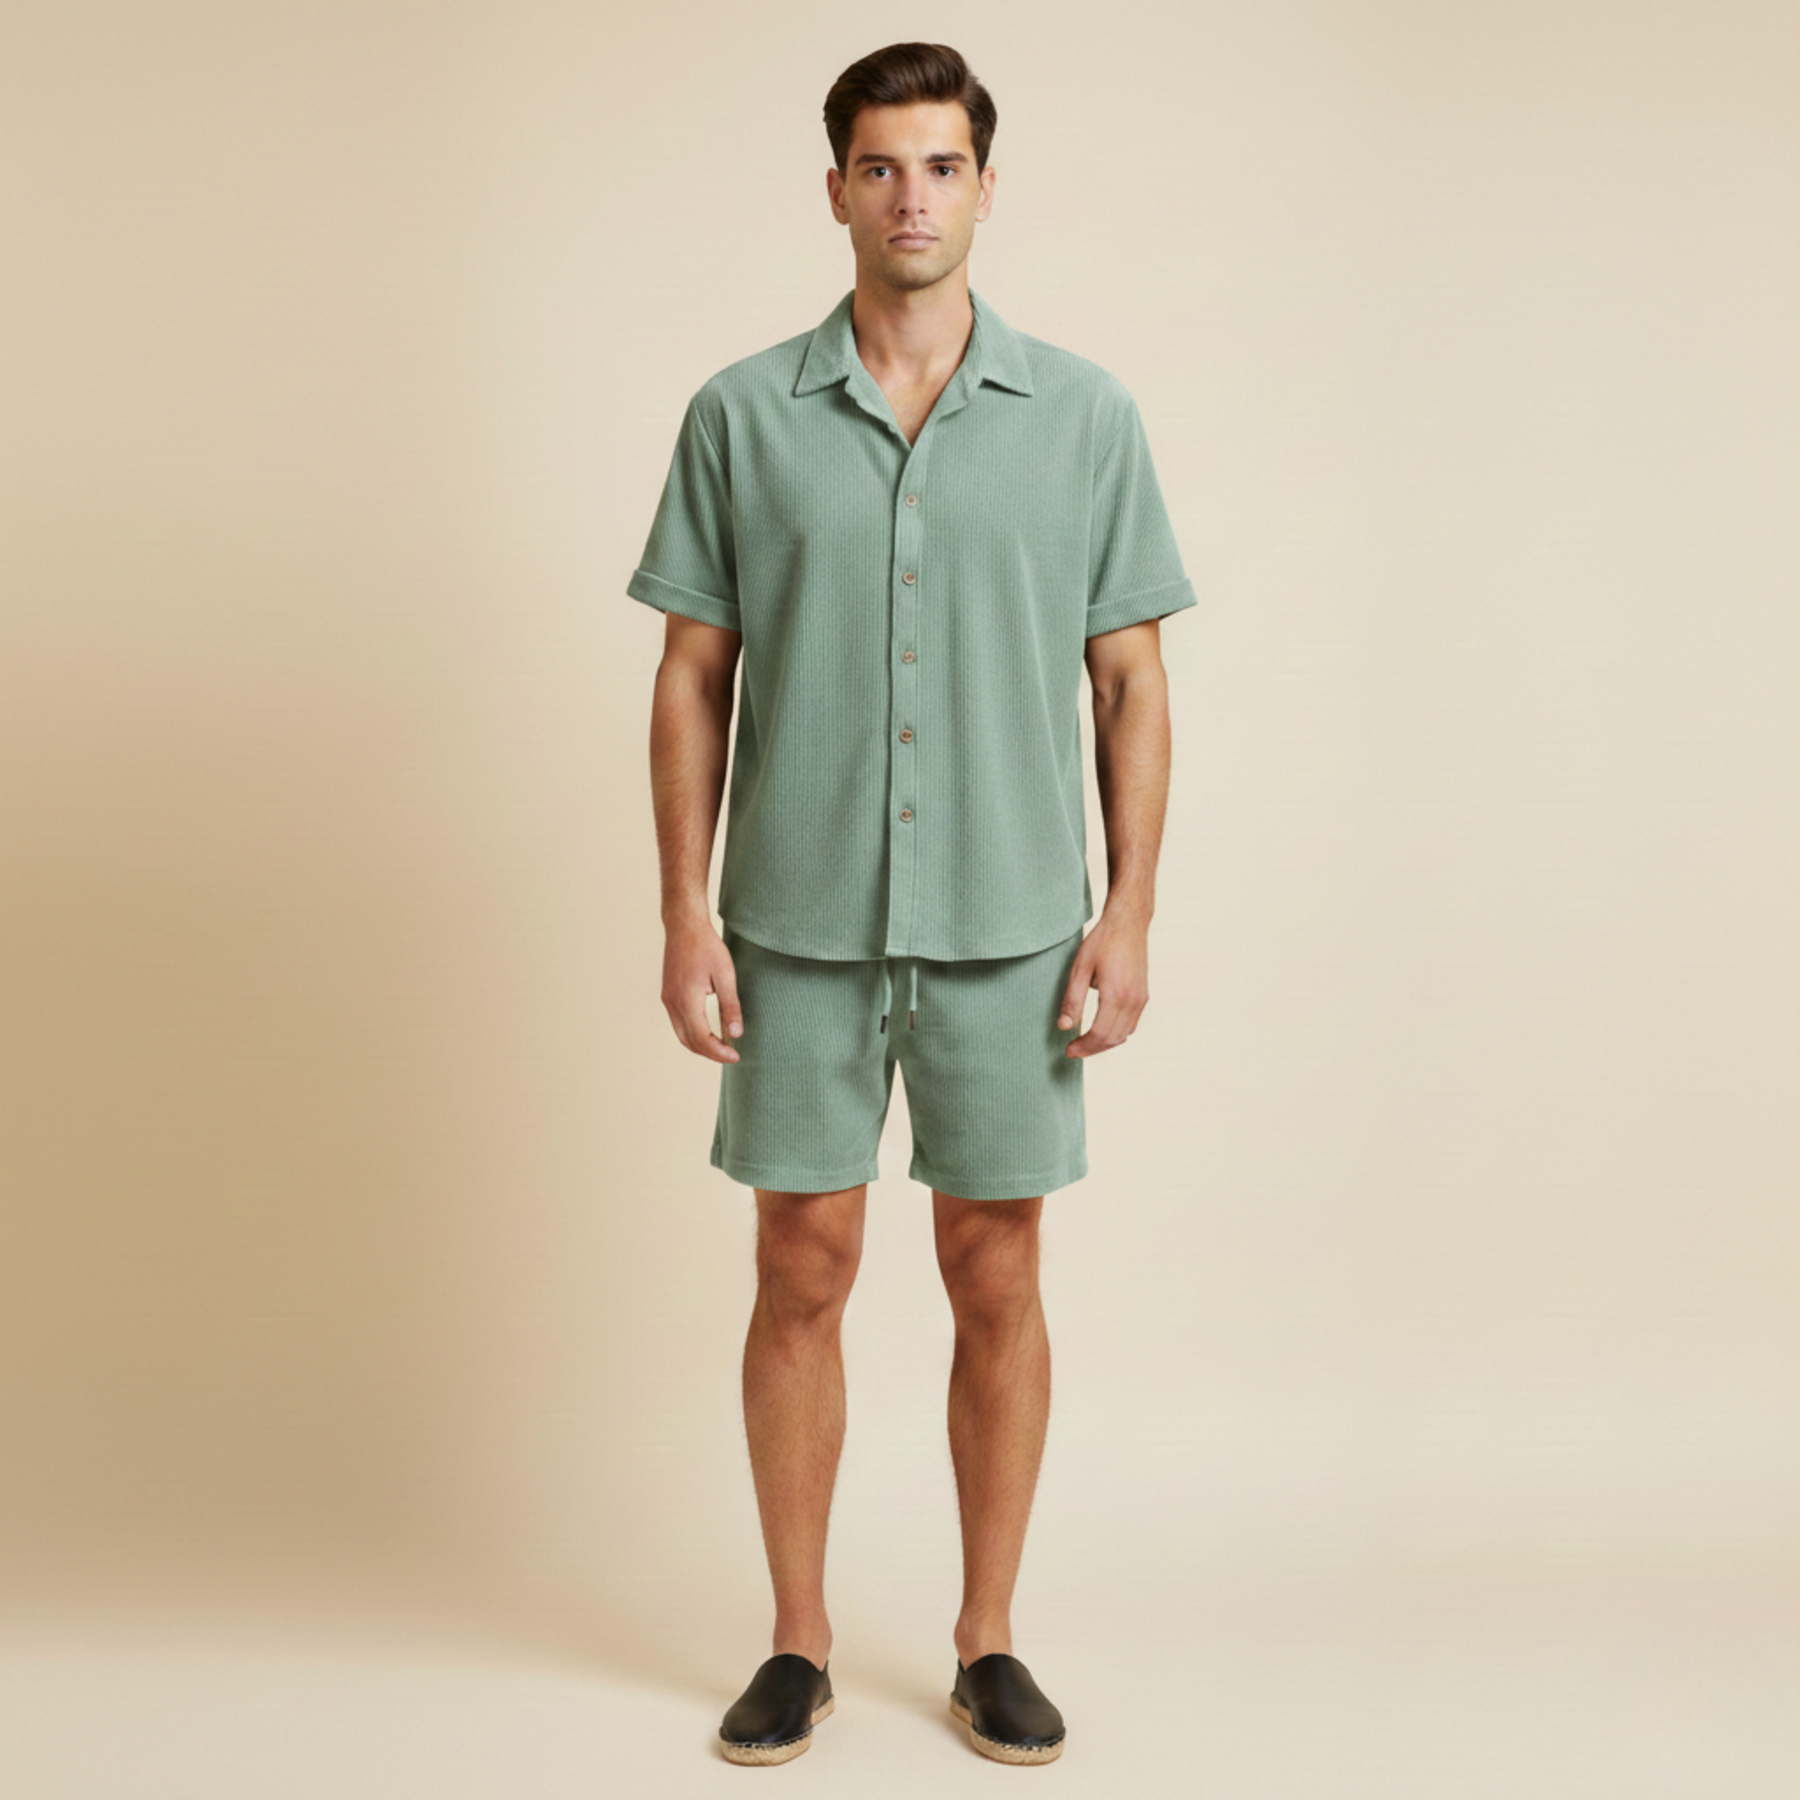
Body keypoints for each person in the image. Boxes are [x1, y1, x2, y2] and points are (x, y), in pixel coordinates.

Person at [627, 40, 1197, 1767]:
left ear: (987, 187)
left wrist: (1130, 913)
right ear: (836, 191)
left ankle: (986, 1638)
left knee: (995, 1269)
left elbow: (1131, 683)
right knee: (798, 1262)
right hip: (795, 919)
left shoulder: (1086, 417)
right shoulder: (740, 415)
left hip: (1014, 924)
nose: (912, 198)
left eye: (942, 165)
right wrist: (684, 912)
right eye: (880, 167)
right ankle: (796, 1643)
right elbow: (691, 675)